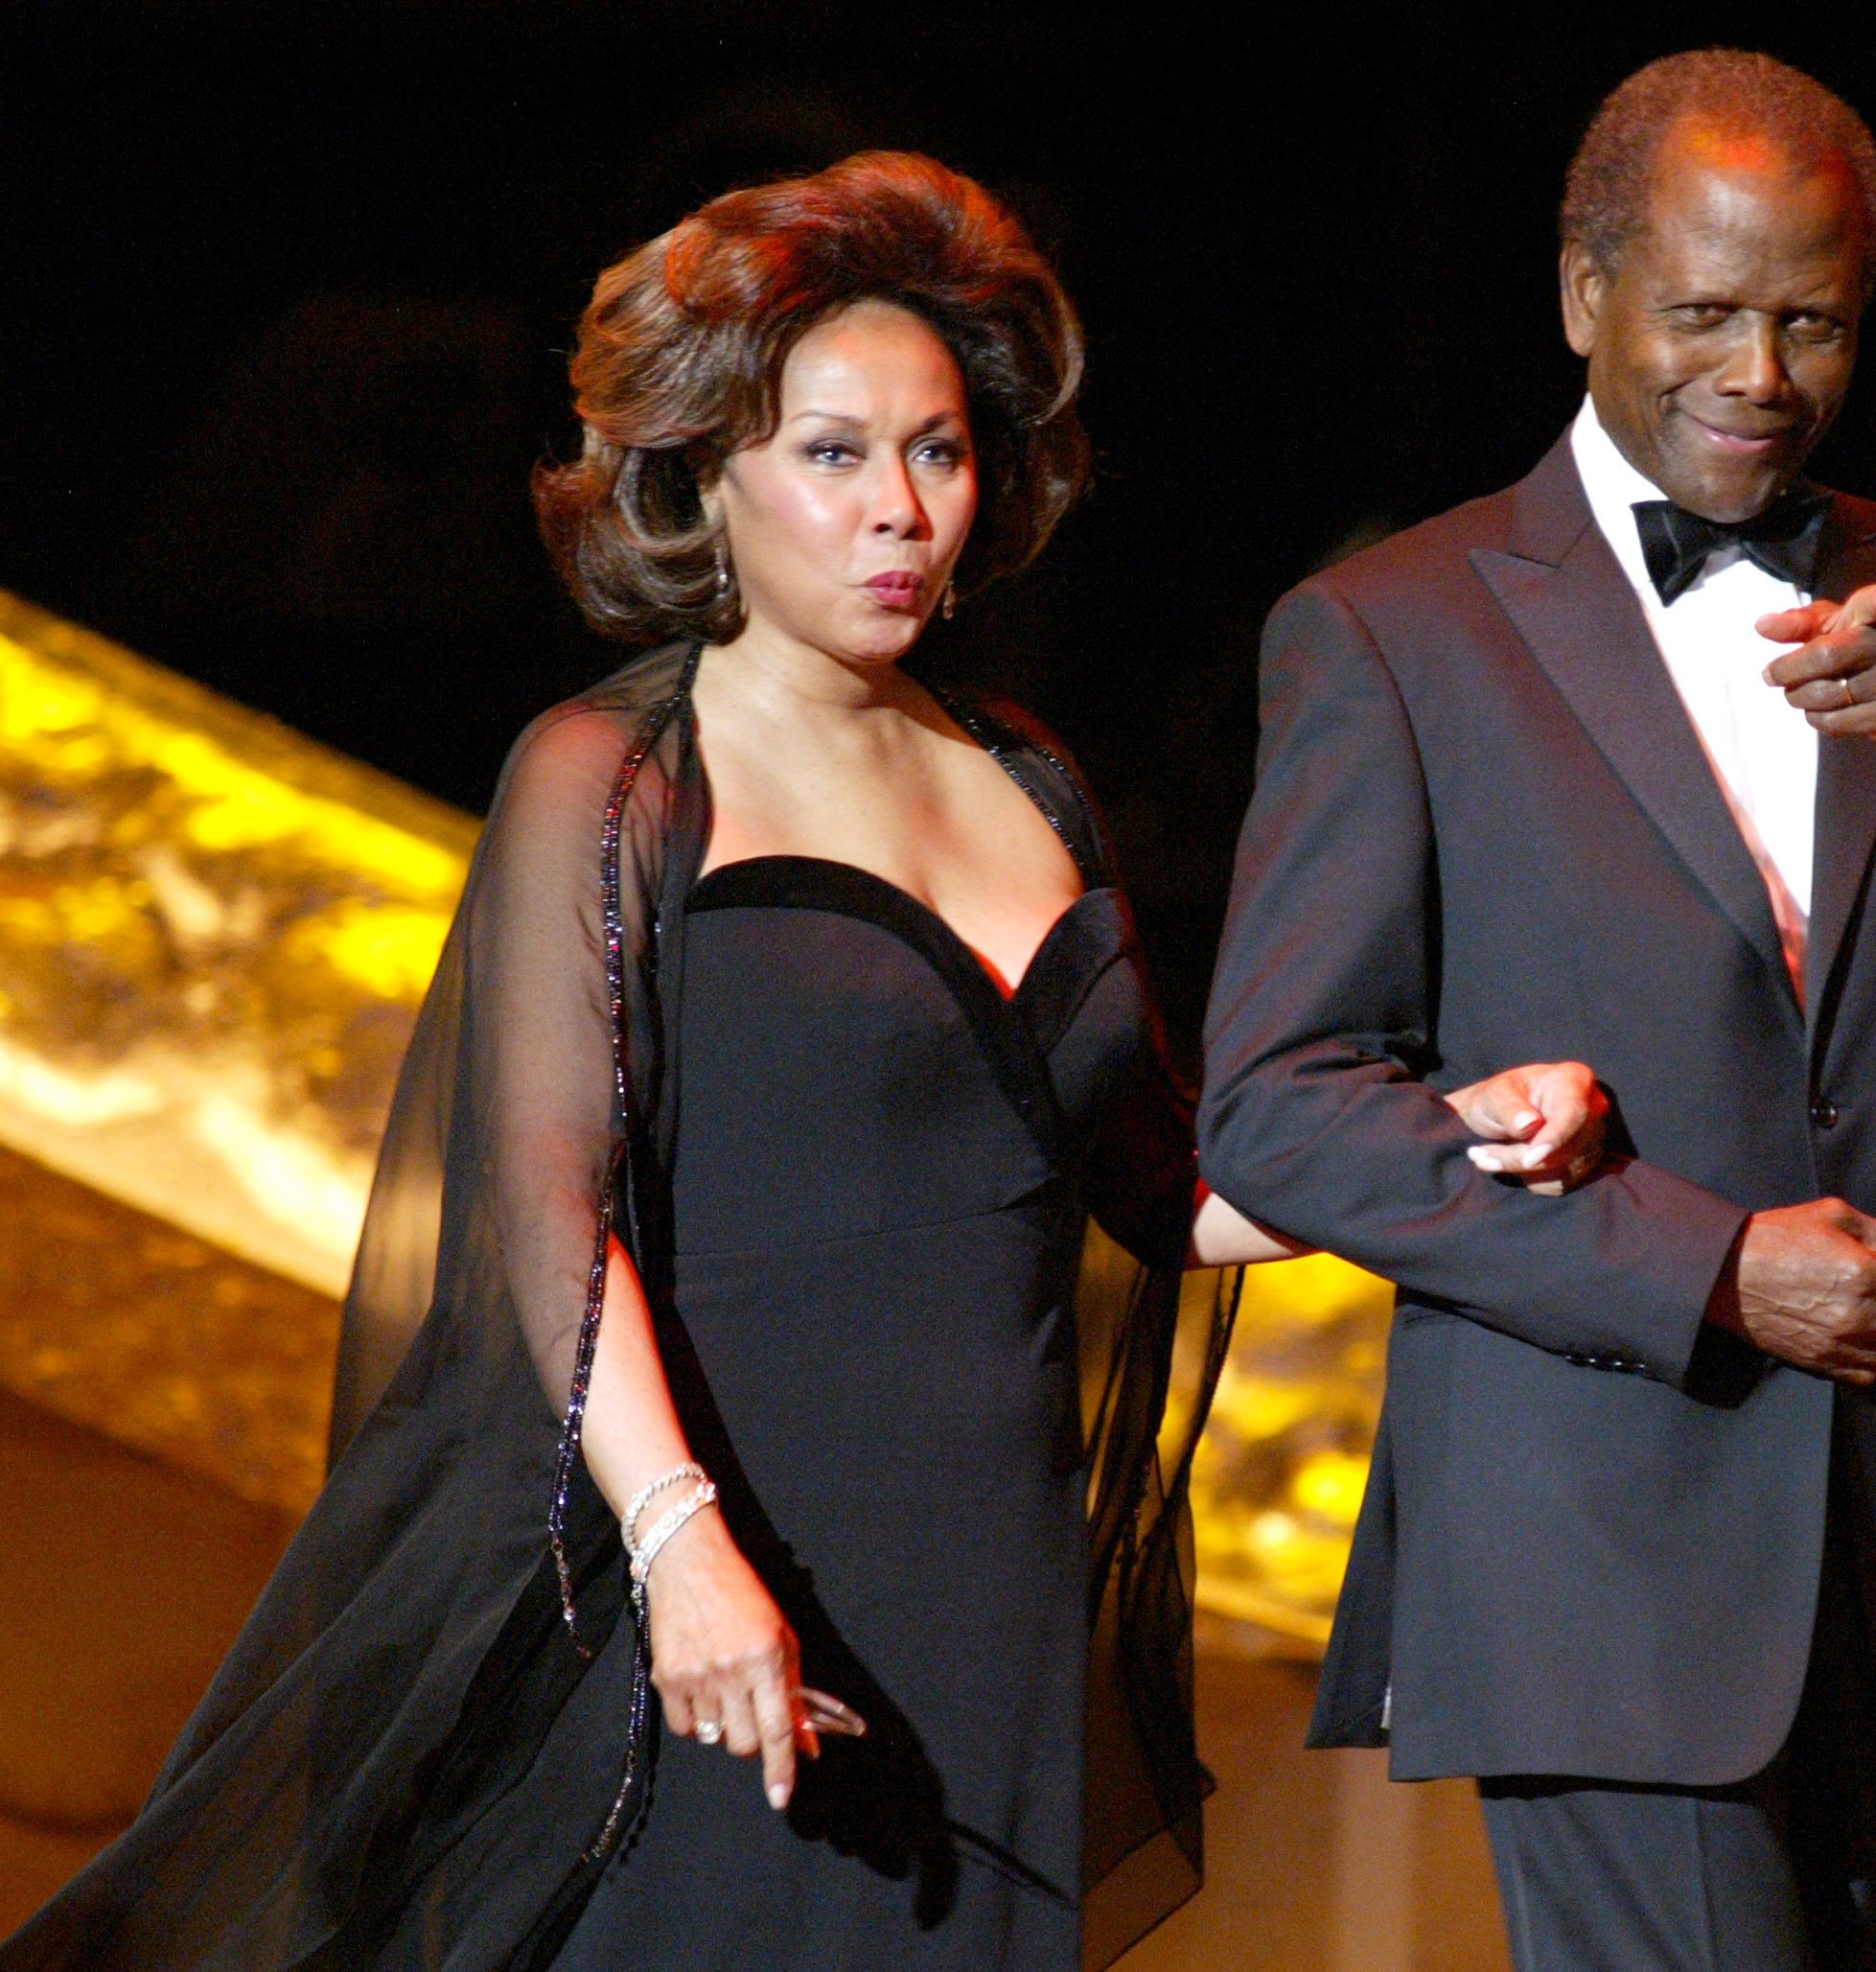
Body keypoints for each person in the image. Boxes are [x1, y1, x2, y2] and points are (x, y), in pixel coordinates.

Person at [3, 151, 1610, 1972]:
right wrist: (684, 1551)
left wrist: (1440, 1138)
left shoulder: (1030, 781)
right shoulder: (615, 781)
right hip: (721, 1590)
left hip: (987, 1613)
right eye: (833, 454)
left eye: (936, 449)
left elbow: (1162, 1185)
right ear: (707, 477)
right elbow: (545, 1199)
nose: (901, 509)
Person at [1199, 50, 1876, 1972]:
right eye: (1709, 312)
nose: (1760, 371)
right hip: (1595, 1564)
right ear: (1586, 296)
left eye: (1809, 319)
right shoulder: (1396, 631)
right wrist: (1711, 1266)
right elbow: (1282, 1105)